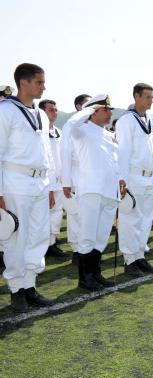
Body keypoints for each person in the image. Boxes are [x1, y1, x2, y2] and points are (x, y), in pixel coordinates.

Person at [0, 63, 55, 311]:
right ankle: (17, 290)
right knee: (17, 238)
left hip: (40, 182)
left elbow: (47, 153)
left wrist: (51, 185)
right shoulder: (5, 111)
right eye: (39, 82)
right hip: (16, 181)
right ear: (24, 82)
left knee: (38, 234)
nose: (43, 87)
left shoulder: (41, 114)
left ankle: (30, 285)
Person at [67, 94, 119, 290]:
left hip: (109, 191)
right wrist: (88, 109)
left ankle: (96, 274)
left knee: (101, 236)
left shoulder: (109, 135)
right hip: (91, 189)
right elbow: (70, 125)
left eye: (109, 110)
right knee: (87, 235)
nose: (109, 113)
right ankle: (85, 278)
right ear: (94, 111)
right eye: (105, 109)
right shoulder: (82, 129)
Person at [116, 83, 153, 276]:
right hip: (133, 177)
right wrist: (122, 180)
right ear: (137, 96)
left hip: (149, 178)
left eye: (152, 97)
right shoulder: (126, 120)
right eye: (147, 96)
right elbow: (123, 151)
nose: (151, 100)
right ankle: (130, 259)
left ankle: (140, 256)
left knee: (145, 220)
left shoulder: (152, 120)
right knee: (130, 220)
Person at [61, 94, 92, 264]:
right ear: (79, 107)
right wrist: (67, 182)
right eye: (88, 104)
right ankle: (76, 251)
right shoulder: (72, 127)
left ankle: (88, 251)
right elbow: (65, 156)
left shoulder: (92, 127)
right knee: (75, 216)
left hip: (90, 178)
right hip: (75, 177)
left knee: (89, 217)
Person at [39, 98, 67, 258]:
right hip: (45, 182)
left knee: (56, 214)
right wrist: (48, 186)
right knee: (43, 214)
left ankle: (52, 243)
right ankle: (43, 246)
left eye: (56, 110)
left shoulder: (59, 132)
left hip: (60, 181)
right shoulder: (39, 132)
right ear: (42, 112)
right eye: (51, 110)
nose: (54, 113)